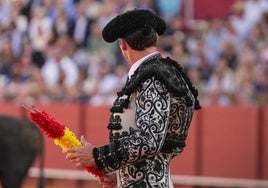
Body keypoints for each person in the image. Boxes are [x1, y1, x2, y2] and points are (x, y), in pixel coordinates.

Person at [63, 9, 201, 188]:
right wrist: (122, 175)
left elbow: (150, 139)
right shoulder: (168, 74)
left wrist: (98, 155)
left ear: (122, 44)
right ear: (155, 39)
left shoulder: (151, 77)